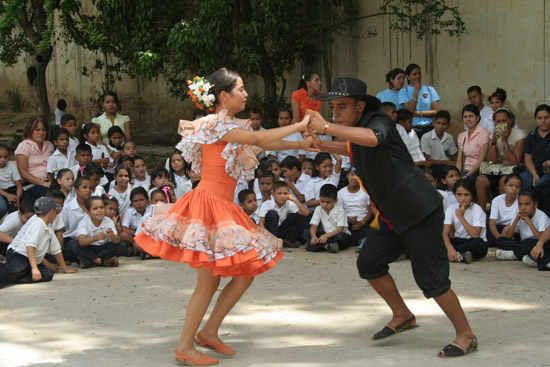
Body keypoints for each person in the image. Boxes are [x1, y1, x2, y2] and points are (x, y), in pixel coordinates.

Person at [134, 67, 314, 365]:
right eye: (240, 89)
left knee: (244, 275)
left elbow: (264, 142)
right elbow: (264, 137)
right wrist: (301, 124)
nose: (245, 94)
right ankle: (184, 346)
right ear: (223, 96)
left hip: (222, 207)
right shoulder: (215, 125)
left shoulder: (230, 125)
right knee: (207, 284)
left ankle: (209, 332)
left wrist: (300, 143)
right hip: (208, 206)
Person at [307, 77, 477, 357]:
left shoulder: (378, 122)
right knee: (369, 262)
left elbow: (373, 140)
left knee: (431, 280)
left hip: (418, 211)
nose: (335, 113)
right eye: (332, 108)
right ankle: (402, 314)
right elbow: (353, 147)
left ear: (359, 106)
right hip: (391, 215)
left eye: (342, 107)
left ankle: (466, 335)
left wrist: (325, 128)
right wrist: (318, 145)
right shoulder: (356, 130)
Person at [0, 197, 77, 288]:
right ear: (51, 211)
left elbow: (56, 250)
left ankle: (13, 279)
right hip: (19, 254)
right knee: (18, 269)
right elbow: (30, 246)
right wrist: (34, 268)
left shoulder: (47, 225)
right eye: (55, 211)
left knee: (47, 274)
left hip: (31, 258)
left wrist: (64, 268)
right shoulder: (38, 223)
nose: (56, 214)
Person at [476, 108, 525, 208]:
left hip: (512, 171)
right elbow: (492, 160)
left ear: (510, 121)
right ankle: (482, 214)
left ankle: (503, 212)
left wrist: (504, 140)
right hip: (497, 170)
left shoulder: (519, 135)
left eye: (504, 121)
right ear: (494, 123)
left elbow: (514, 161)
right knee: (480, 180)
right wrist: (493, 141)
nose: (501, 124)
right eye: (498, 121)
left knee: (504, 181)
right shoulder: (493, 135)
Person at [496, 191, 549, 266]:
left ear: (535, 205)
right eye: (520, 204)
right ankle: (521, 253)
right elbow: (508, 236)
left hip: (538, 243)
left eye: (527, 204)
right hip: (523, 243)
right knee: (500, 240)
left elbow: (541, 238)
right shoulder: (518, 213)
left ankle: (515, 254)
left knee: (530, 243)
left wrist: (529, 222)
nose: (523, 208)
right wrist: (516, 220)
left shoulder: (541, 216)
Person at [442, 179, 488, 264]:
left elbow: (475, 234)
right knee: (439, 240)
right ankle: (460, 255)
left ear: (472, 195)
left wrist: (460, 217)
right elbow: (445, 233)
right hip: (458, 241)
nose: (463, 198)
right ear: (455, 195)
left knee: (478, 243)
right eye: (459, 195)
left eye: (466, 195)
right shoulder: (451, 208)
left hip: (473, 241)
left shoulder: (477, 209)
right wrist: (449, 248)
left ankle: (453, 255)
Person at [14, 116, 54, 201]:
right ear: (30, 131)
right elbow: (23, 173)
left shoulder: (49, 145)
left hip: (50, 182)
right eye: (37, 130)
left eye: (43, 130)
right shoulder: (24, 146)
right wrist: (42, 183)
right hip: (31, 185)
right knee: (51, 196)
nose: (41, 133)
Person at [258, 181, 309, 247]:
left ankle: (287, 240)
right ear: (273, 194)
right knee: (272, 213)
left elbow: (306, 213)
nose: (282, 196)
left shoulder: (289, 203)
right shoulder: (267, 204)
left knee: (296, 216)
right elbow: (261, 224)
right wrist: (266, 236)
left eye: (285, 193)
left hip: (281, 231)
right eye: (279, 193)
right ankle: (274, 241)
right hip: (270, 232)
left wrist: (295, 200)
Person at [306, 184, 353, 253]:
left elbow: (339, 229)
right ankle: (327, 246)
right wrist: (314, 236)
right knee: (309, 235)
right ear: (319, 199)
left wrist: (326, 236)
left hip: (338, 234)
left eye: (328, 202)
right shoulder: (318, 209)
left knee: (341, 237)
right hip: (325, 235)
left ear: (335, 200)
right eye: (322, 201)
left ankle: (325, 245)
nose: (324, 204)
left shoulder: (340, 210)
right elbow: (314, 226)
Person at [75, 196, 120, 267]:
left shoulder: (109, 221)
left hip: (104, 248)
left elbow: (117, 241)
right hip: (90, 248)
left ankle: (90, 262)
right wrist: (95, 238)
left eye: (101, 207)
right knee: (76, 245)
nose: (99, 210)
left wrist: (112, 235)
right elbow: (81, 241)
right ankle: (101, 261)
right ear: (88, 211)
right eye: (95, 209)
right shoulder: (84, 222)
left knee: (118, 246)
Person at [398, 63, 440, 138]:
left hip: (429, 128)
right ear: (408, 77)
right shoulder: (404, 91)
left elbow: (436, 111)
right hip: (412, 129)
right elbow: (410, 110)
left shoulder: (429, 89)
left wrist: (419, 113)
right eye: (414, 74)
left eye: (419, 73)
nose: (418, 76)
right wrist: (416, 91)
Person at [456, 104, 489, 183]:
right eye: (465, 117)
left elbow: (481, 160)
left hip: (477, 171)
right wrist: (457, 174)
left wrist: (467, 175)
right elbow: (459, 159)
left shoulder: (483, 133)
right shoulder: (461, 135)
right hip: (464, 170)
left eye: (471, 116)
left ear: (477, 118)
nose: (468, 119)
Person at [338, 169, 372, 244]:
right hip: (346, 224)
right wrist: (348, 219)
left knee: (372, 231)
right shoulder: (340, 193)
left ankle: (360, 241)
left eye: (357, 175)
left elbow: (370, 211)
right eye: (352, 175)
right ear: (347, 176)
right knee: (341, 234)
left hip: (363, 223)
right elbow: (338, 211)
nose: (354, 178)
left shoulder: (366, 191)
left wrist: (361, 223)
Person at [521, 104, 550, 190]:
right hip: (533, 171)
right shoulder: (531, 135)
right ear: (536, 119)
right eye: (539, 118)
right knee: (521, 181)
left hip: (548, 173)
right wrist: (534, 174)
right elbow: (528, 158)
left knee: (541, 184)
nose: (543, 121)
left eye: (546, 117)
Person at [488, 174, 521, 247]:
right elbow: (492, 223)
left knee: (515, 236)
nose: (514, 189)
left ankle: (502, 243)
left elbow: (513, 224)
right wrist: (499, 238)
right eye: (511, 185)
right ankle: (503, 243)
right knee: (487, 235)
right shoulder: (496, 200)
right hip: (498, 227)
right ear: (505, 187)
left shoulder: (520, 202)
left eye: (517, 187)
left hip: (512, 228)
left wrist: (505, 233)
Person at [0, 144, 23, 217]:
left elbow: (19, 186)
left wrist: (18, 198)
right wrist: (7, 195)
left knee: (17, 207)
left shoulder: (12, 166)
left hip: (14, 190)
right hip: (2, 191)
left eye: (5, 157)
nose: (3, 160)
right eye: (0, 157)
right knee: (2, 207)